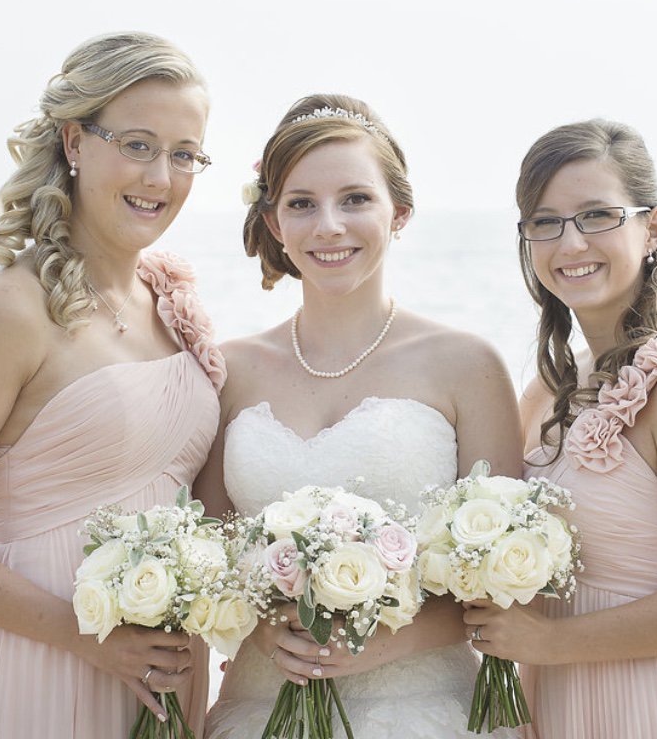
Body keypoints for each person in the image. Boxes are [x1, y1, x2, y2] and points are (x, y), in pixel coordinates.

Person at [0, 31, 226, 738]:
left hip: (160, 681)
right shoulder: (11, 308)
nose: (161, 177)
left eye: (184, 154)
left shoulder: (172, 298)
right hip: (36, 669)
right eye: (137, 145)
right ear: (73, 142)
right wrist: (86, 638)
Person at [195, 94, 523, 737]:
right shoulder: (228, 371)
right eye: (301, 204)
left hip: (428, 711)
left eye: (355, 199)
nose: (328, 226)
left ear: (399, 212)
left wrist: (377, 643)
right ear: (272, 220)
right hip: (261, 710)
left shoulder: (467, 365)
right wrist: (266, 625)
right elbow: (208, 555)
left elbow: (509, 579)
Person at [463, 119, 657, 738]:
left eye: (597, 215)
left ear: (653, 227)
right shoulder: (548, 389)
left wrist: (548, 641)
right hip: (552, 701)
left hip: (652, 703)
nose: (570, 243)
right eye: (545, 222)